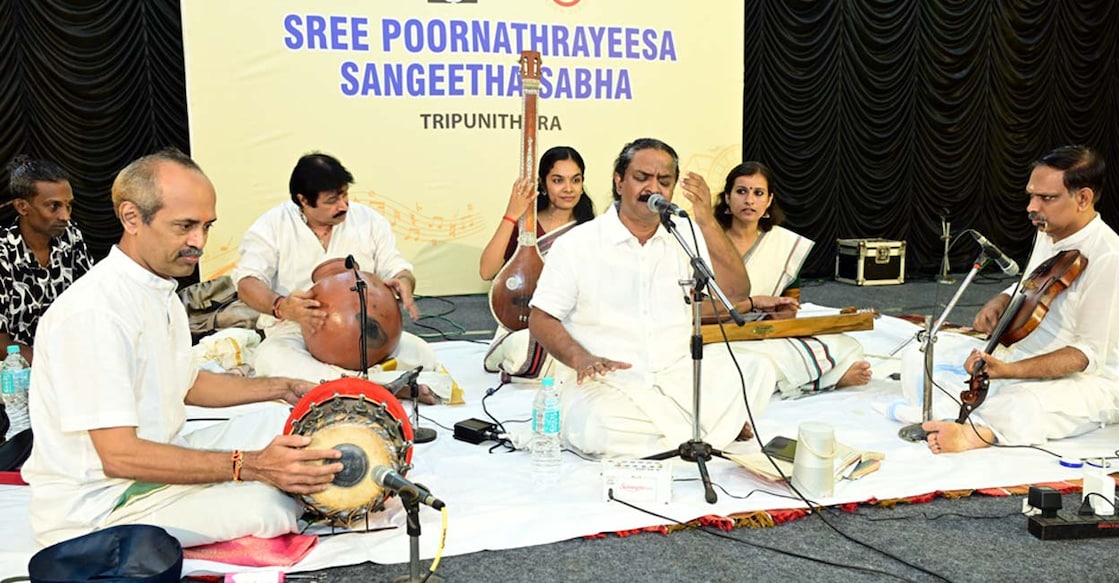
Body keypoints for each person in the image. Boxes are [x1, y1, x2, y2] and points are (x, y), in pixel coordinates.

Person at [22, 149, 342, 547]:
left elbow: (185, 384)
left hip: (155, 469)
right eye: (185, 226)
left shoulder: (159, 290)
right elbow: (119, 456)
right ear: (132, 218)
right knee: (269, 506)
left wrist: (280, 388)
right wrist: (251, 465)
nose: (199, 242)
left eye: (206, 226)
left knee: (278, 429)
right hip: (105, 506)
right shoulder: (94, 313)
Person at [528, 138, 793, 458]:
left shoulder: (685, 231)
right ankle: (703, 433)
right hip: (609, 381)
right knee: (597, 427)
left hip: (677, 374)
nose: (652, 188)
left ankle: (677, 438)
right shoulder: (580, 243)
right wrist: (581, 359)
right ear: (619, 180)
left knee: (756, 369)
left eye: (664, 181)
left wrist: (707, 220)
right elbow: (541, 318)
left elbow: (736, 291)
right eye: (642, 178)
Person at [922, 145, 1119, 453]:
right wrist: (1001, 299)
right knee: (921, 363)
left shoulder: (1109, 257)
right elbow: (1032, 281)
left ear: (1083, 198)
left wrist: (1010, 371)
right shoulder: (1048, 230)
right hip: (1020, 355)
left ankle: (977, 432)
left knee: (1020, 403)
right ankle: (974, 415)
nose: (1031, 206)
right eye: (1031, 195)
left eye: (1046, 198)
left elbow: (1086, 355)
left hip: (1089, 379)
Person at [233, 152, 441, 402]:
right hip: (298, 329)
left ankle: (343, 387)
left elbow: (395, 266)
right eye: (332, 200)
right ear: (303, 201)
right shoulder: (272, 226)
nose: (343, 205)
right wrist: (282, 306)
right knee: (272, 360)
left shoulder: (368, 220)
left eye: (344, 195)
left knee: (423, 355)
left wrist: (404, 280)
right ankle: (379, 388)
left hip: (367, 332)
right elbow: (247, 281)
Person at [713, 162, 871, 397]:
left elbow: (790, 307)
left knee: (847, 346)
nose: (749, 200)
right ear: (727, 198)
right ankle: (823, 380)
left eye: (758, 193)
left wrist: (784, 313)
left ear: (768, 201)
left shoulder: (785, 244)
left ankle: (791, 380)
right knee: (738, 364)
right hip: (717, 336)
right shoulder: (706, 240)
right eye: (741, 191)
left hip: (763, 333)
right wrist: (753, 302)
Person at [480, 146, 595, 378]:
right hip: (523, 324)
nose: (568, 189)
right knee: (523, 346)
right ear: (542, 183)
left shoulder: (591, 230)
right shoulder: (527, 226)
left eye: (576, 180)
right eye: (558, 180)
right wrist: (512, 214)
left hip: (569, 324)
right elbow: (486, 270)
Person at [0, 156, 92, 364]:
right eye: (54, 207)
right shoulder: (4, 253)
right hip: (17, 378)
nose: (65, 216)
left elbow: (91, 302)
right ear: (22, 207)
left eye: (68, 206)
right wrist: (50, 366)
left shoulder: (72, 237)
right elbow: (1, 344)